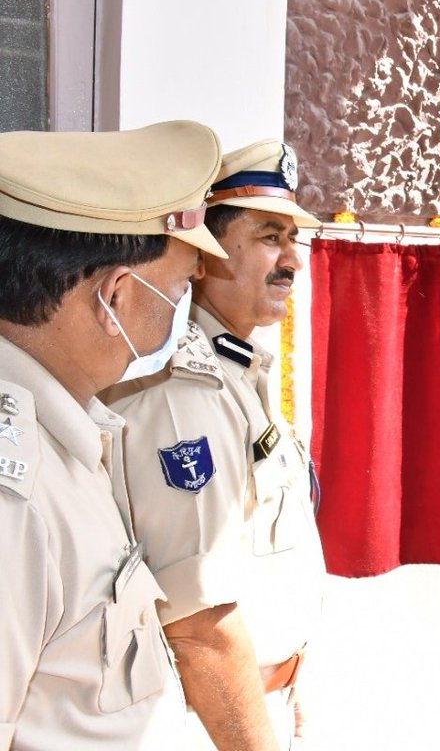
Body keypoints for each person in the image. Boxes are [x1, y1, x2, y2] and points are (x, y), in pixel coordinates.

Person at [0, 121, 226, 749]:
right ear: (116, 297)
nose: (184, 306)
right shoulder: (14, 499)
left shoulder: (61, 439)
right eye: (180, 286)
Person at [102, 140, 326, 750]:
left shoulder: (242, 378)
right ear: (204, 256)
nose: (292, 261)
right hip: (204, 723)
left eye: (293, 239)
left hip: (252, 707)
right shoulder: (184, 397)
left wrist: (288, 686)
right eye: (268, 237)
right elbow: (199, 624)